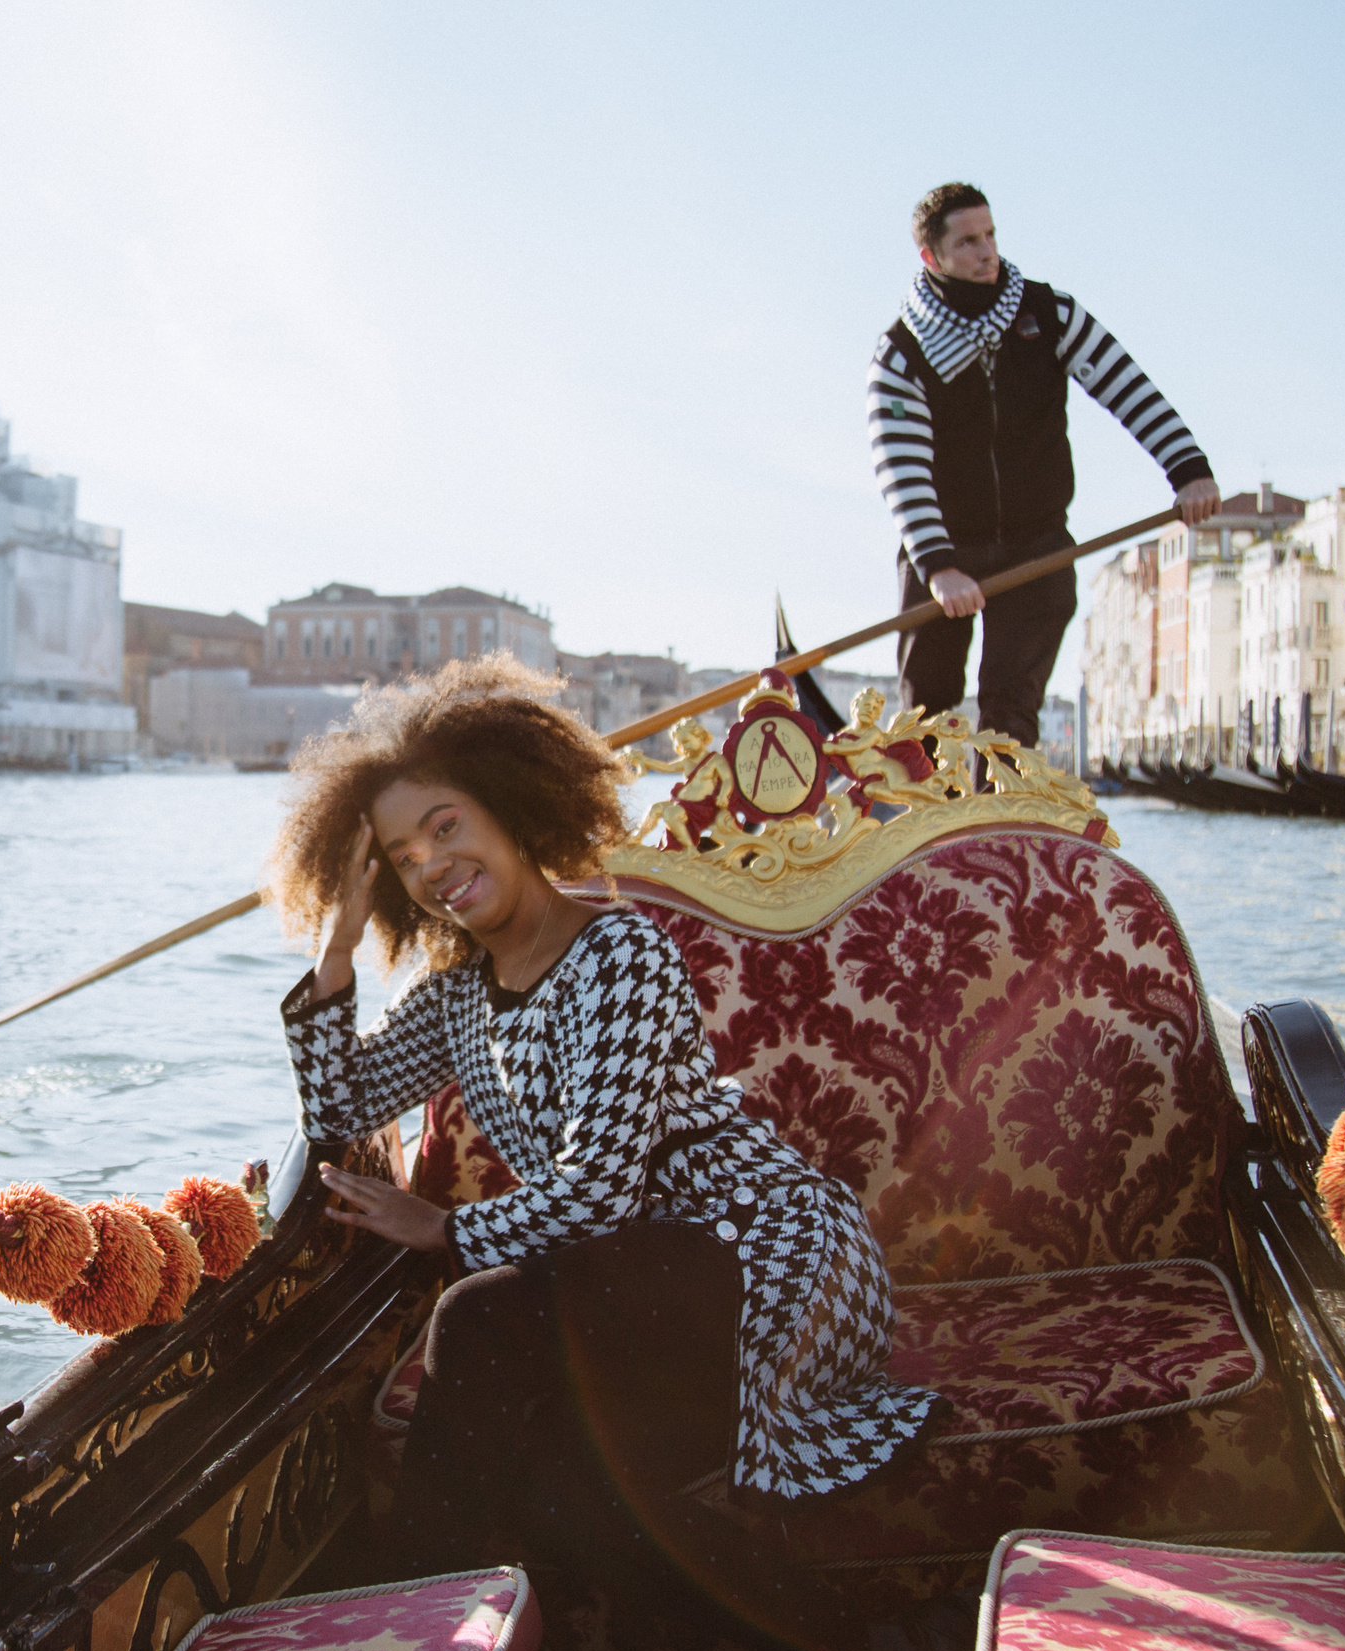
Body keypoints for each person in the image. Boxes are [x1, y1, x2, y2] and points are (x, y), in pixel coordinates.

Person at [267, 656, 934, 1576]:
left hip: (760, 1249)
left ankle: (397, 1629)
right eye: (402, 860)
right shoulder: (458, 993)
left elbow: (602, 1193)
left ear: (509, 803)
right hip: (633, 1285)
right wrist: (336, 949)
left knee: (474, 1319)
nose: (433, 867)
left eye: (446, 825)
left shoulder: (619, 954)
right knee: (559, 1497)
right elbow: (340, 1104)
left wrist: (444, 1230)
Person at [868, 182, 1221, 750]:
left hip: (1037, 546)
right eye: (968, 242)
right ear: (932, 257)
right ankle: (930, 827)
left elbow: (1128, 388)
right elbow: (900, 468)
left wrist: (1188, 469)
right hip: (943, 546)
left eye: (991, 235)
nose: (988, 253)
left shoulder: (1048, 314)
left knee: (1010, 713)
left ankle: (1001, 826)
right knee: (926, 713)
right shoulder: (901, 354)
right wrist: (939, 567)